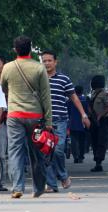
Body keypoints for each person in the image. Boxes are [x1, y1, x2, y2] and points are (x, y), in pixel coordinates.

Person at [1, 36, 53, 198]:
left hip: (15, 115)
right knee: (36, 153)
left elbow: (3, 88)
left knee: (15, 151)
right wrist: (49, 120)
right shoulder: (39, 68)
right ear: (30, 48)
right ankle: (38, 188)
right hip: (35, 116)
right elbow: (46, 96)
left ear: (15, 49)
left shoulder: (8, 68)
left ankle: (17, 187)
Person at [41, 51, 90, 192]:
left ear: (55, 62)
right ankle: (50, 184)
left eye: (49, 60)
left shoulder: (64, 79)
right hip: (43, 121)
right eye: (44, 61)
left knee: (57, 150)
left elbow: (74, 98)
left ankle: (63, 176)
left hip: (60, 120)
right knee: (46, 152)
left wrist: (83, 115)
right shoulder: (37, 79)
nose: (47, 63)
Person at [89, 75, 108, 172]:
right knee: (94, 141)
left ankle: (99, 162)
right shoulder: (93, 94)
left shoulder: (105, 94)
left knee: (101, 141)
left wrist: (100, 115)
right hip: (94, 121)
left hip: (103, 121)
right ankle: (96, 161)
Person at [68, 86, 89, 163]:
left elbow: (68, 111)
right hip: (83, 123)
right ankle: (81, 156)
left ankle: (75, 156)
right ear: (82, 91)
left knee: (74, 140)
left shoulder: (71, 101)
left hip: (73, 123)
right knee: (82, 141)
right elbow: (87, 111)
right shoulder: (85, 100)